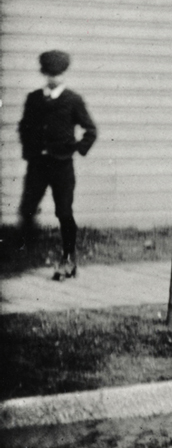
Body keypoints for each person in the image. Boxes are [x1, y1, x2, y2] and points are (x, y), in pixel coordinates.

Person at [18, 50, 97, 281]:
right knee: (27, 208)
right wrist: (30, 151)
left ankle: (68, 258)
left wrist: (76, 148)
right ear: (44, 74)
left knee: (63, 212)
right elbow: (24, 127)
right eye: (50, 74)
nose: (54, 78)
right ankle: (26, 253)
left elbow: (90, 130)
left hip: (62, 167)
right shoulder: (34, 98)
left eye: (58, 74)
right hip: (38, 166)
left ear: (64, 74)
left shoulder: (73, 100)